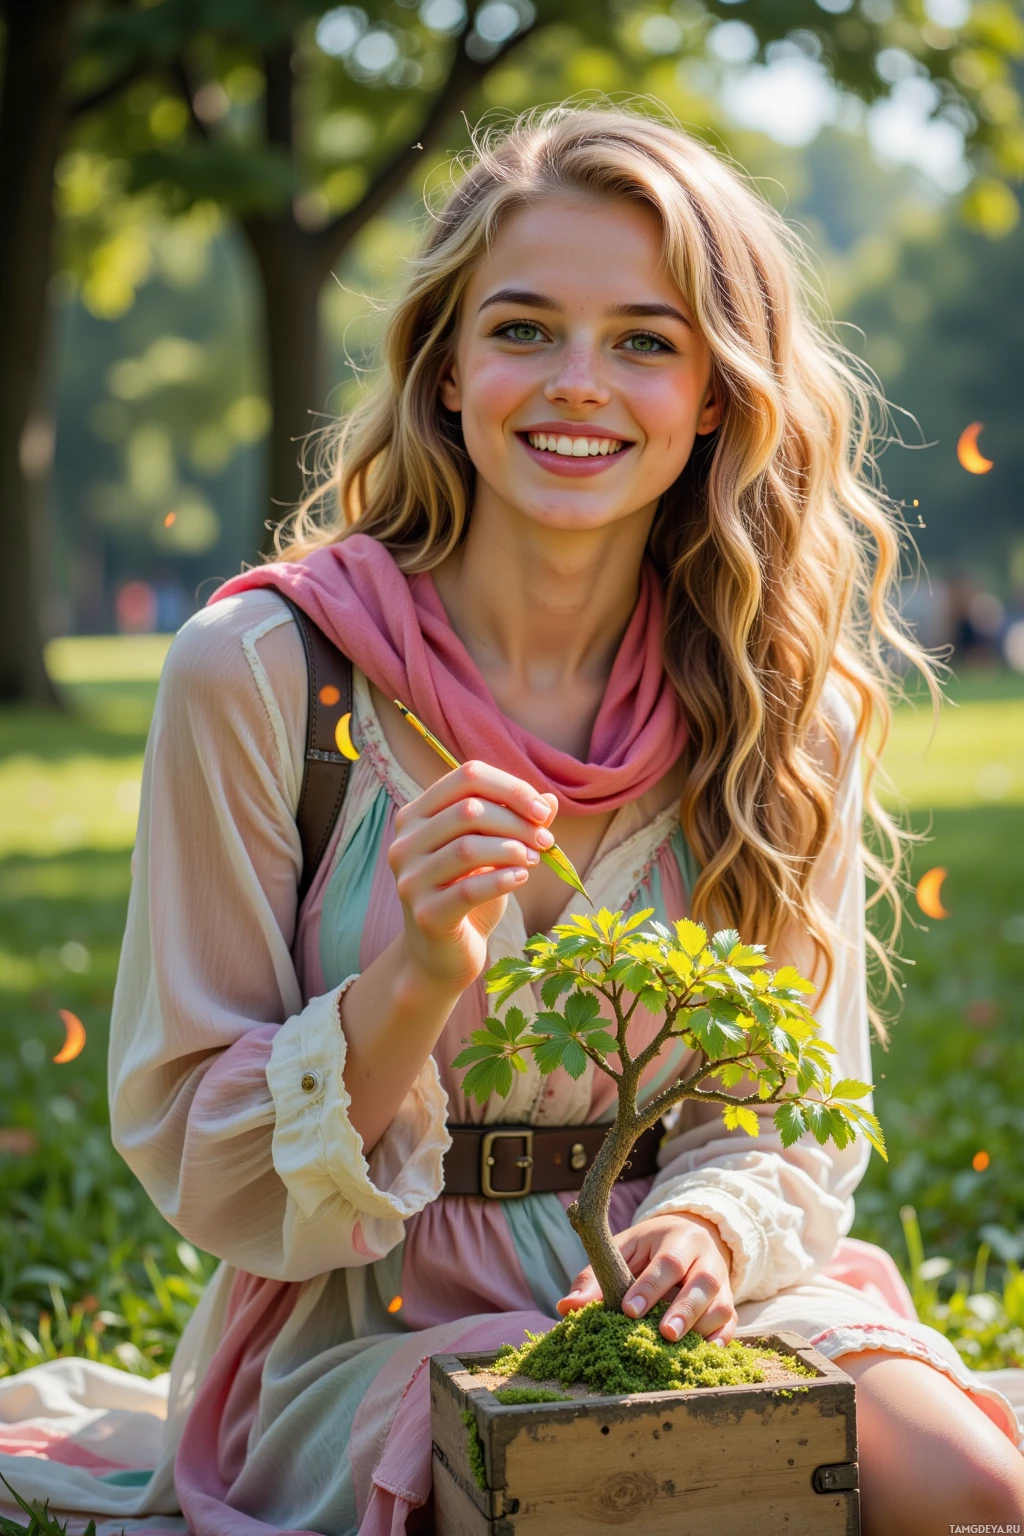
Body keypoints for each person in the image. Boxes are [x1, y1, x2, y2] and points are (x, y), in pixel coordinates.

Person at [1, 105, 1021, 1536]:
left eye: (647, 341)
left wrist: (707, 1226)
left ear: (719, 392)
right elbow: (201, 1156)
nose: (579, 385)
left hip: (685, 1298)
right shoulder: (262, 676)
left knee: (968, 1494)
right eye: (526, 329)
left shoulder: (785, 707)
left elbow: (790, 1110)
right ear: (447, 369)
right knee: (593, 1498)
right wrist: (411, 981)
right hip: (371, 1314)